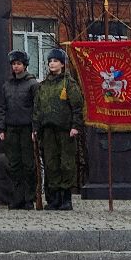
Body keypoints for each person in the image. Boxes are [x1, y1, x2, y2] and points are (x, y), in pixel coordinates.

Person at [34, 48, 85, 210]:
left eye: (55, 61)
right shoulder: (43, 86)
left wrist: (75, 126)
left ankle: (66, 199)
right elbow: (37, 109)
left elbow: (77, 106)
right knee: (51, 163)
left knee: (66, 163)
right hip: (47, 130)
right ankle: (54, 198)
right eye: (50, 61)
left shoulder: (69, 83)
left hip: (65, 130)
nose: (52, 64)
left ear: (62, 64)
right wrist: (36, 128)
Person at [0, 50, 38, 209]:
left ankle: (29, 198)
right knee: (14, 165)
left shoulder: (32, 84)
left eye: (19, 64)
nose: (16, 66)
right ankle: (17, 198)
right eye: (14, 64)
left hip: (27, 128)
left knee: (28, 165)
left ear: (25, 65)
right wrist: (2, 128)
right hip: (11, 129)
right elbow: (3, 107)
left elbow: (37, 108)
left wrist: (35, 129)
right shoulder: (7, 85)